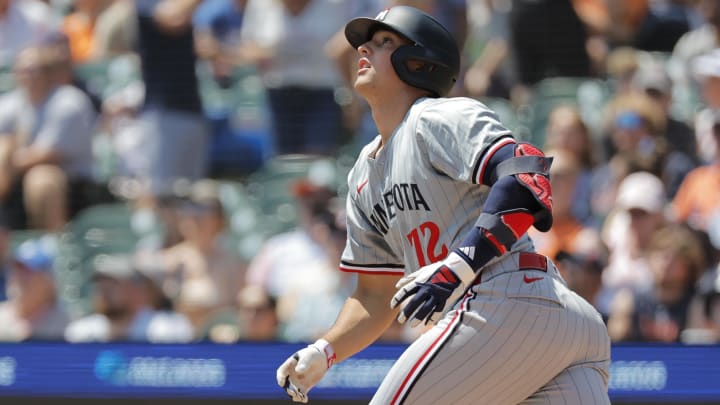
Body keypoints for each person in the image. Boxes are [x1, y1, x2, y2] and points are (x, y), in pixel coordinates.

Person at [275, 6, 610, 404]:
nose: (363, 48)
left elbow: (525, 178)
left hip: (504, 298)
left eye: (384, 42)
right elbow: (376, 295)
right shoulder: (363, 172)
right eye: (367, 41)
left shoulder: (437, 116)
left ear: (418, 62)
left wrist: (457, 267)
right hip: (544, 324)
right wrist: (325, 350)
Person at [0, 235, 69, 342]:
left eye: (29, 271)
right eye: (18, 268)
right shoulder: (2, 316)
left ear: (49, 281)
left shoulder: (68, 328)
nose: (20, 277)